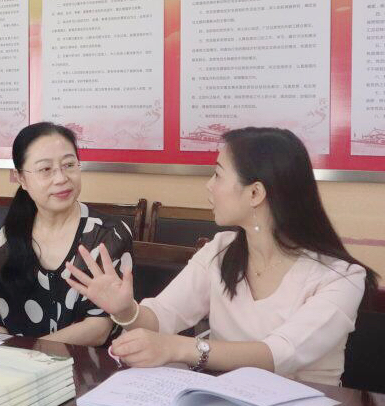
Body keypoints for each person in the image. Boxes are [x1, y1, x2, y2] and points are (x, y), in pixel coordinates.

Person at [67, 127, 376, 386]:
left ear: (255, 193)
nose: (209, 186)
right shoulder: (220, 250)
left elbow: (279, 353)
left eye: (217, 174)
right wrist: (126, 311)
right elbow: (164, 315)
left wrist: (178, 347)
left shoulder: (341, 277)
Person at [0, 122, 133, 344]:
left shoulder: (108, 234)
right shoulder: (3, 241)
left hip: (89, 362)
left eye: (69, 165)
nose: (61, 178)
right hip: (21, 362)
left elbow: (99, 327)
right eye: (45, 169)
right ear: (21, 178)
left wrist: (34, 353)